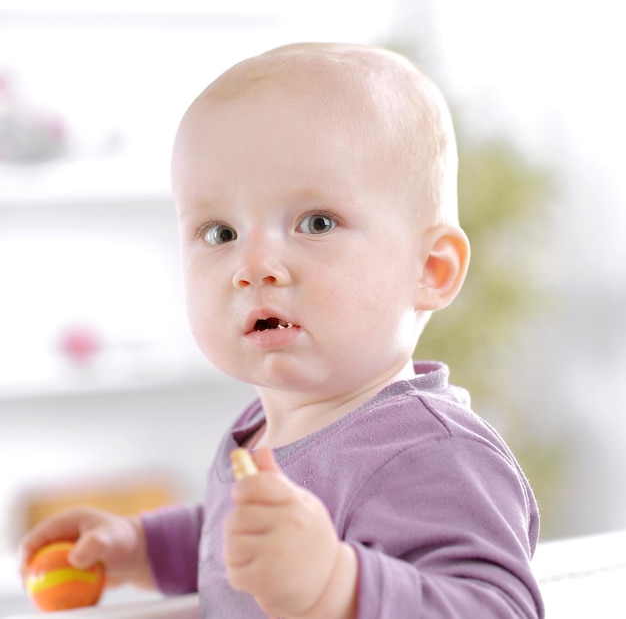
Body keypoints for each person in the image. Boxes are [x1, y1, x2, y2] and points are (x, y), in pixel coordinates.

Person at [19, 42, 544, 618]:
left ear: (430, 270)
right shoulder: (261, 429)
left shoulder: (432, 453)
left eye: (316, 222)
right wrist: (139, 548)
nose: (254, 266)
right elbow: (240, 539)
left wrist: (336, 584)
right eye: (219, 233)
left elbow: (500, 609)